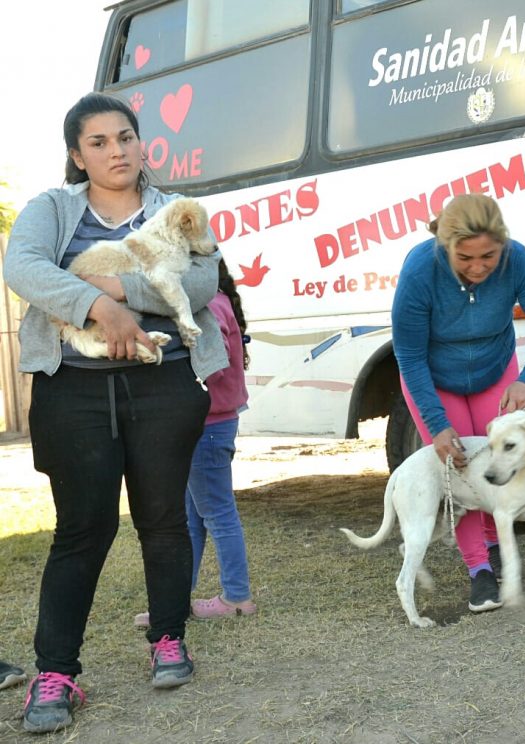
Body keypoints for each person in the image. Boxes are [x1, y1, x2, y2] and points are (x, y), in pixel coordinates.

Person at [2, 92, 227, 734]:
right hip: (72, 387)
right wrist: (105, 312)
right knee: (82, 528)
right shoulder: (51, 209)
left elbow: (207, 283)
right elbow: (24, 267)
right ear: (77, 155)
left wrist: (116, 291)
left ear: (141, 142)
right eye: (98, 142)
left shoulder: (174, 210)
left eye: (125, 137)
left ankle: (168, 638)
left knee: (163, 520)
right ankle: (57, 673)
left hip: (166, 386)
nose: (117, 150)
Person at [391, 193, 525, 612]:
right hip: (434, 376)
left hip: (494, 368)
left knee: (496, 463)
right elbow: (410, 356)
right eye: (465, 258)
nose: (478, 267)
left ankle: (494, 544)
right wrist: (436, 425)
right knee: (461, 467)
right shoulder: (419, 270)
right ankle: (479, 570)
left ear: (503, 244)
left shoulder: (517, 260)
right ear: (445, 246)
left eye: (488, 255)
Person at [134, 259, 255, 625]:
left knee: (217, 512)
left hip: (207, 425)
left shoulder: (209, 306)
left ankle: (237, 596)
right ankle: (174, 601)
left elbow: (211, 363)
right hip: (207, 424)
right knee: (192, 518)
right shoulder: (216, 302)